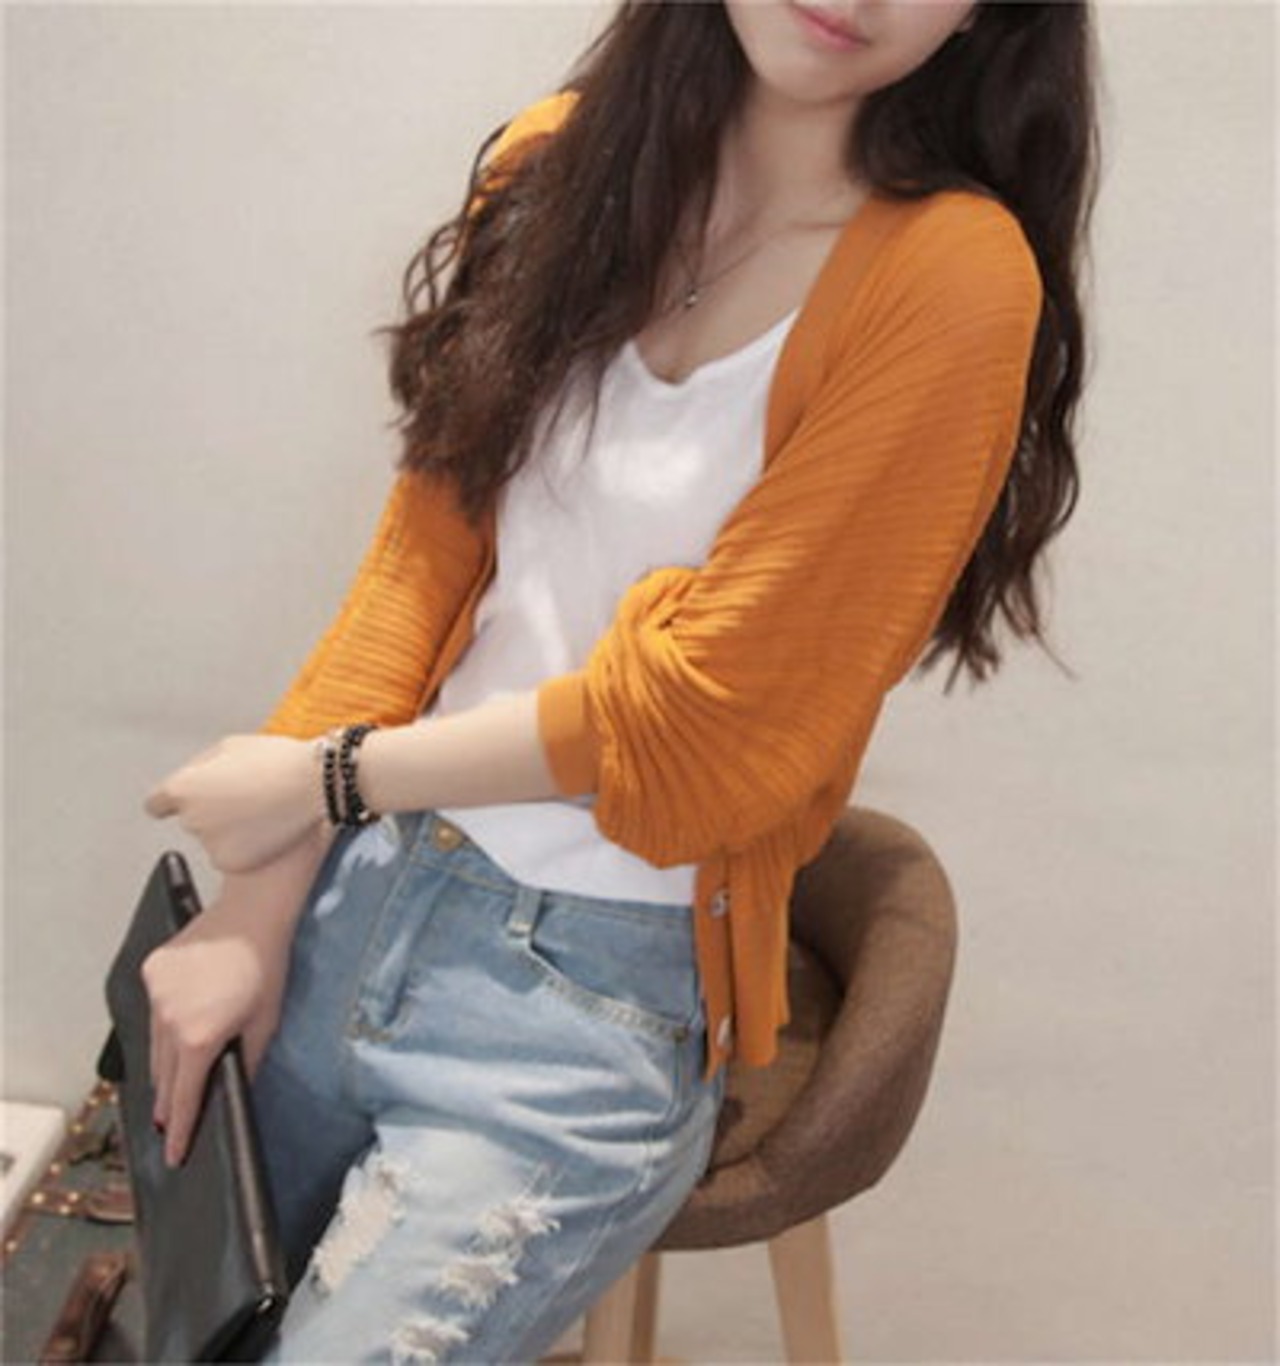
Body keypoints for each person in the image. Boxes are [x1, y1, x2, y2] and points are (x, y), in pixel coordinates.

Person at [140, 2, 1099, 1360]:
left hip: (579, 1009)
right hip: (358, 889)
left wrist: (325, 777)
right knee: (140, 1323)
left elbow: (707, 727)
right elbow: (418, 569)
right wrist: (261, 901)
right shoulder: (556, 166)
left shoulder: (951, 275)